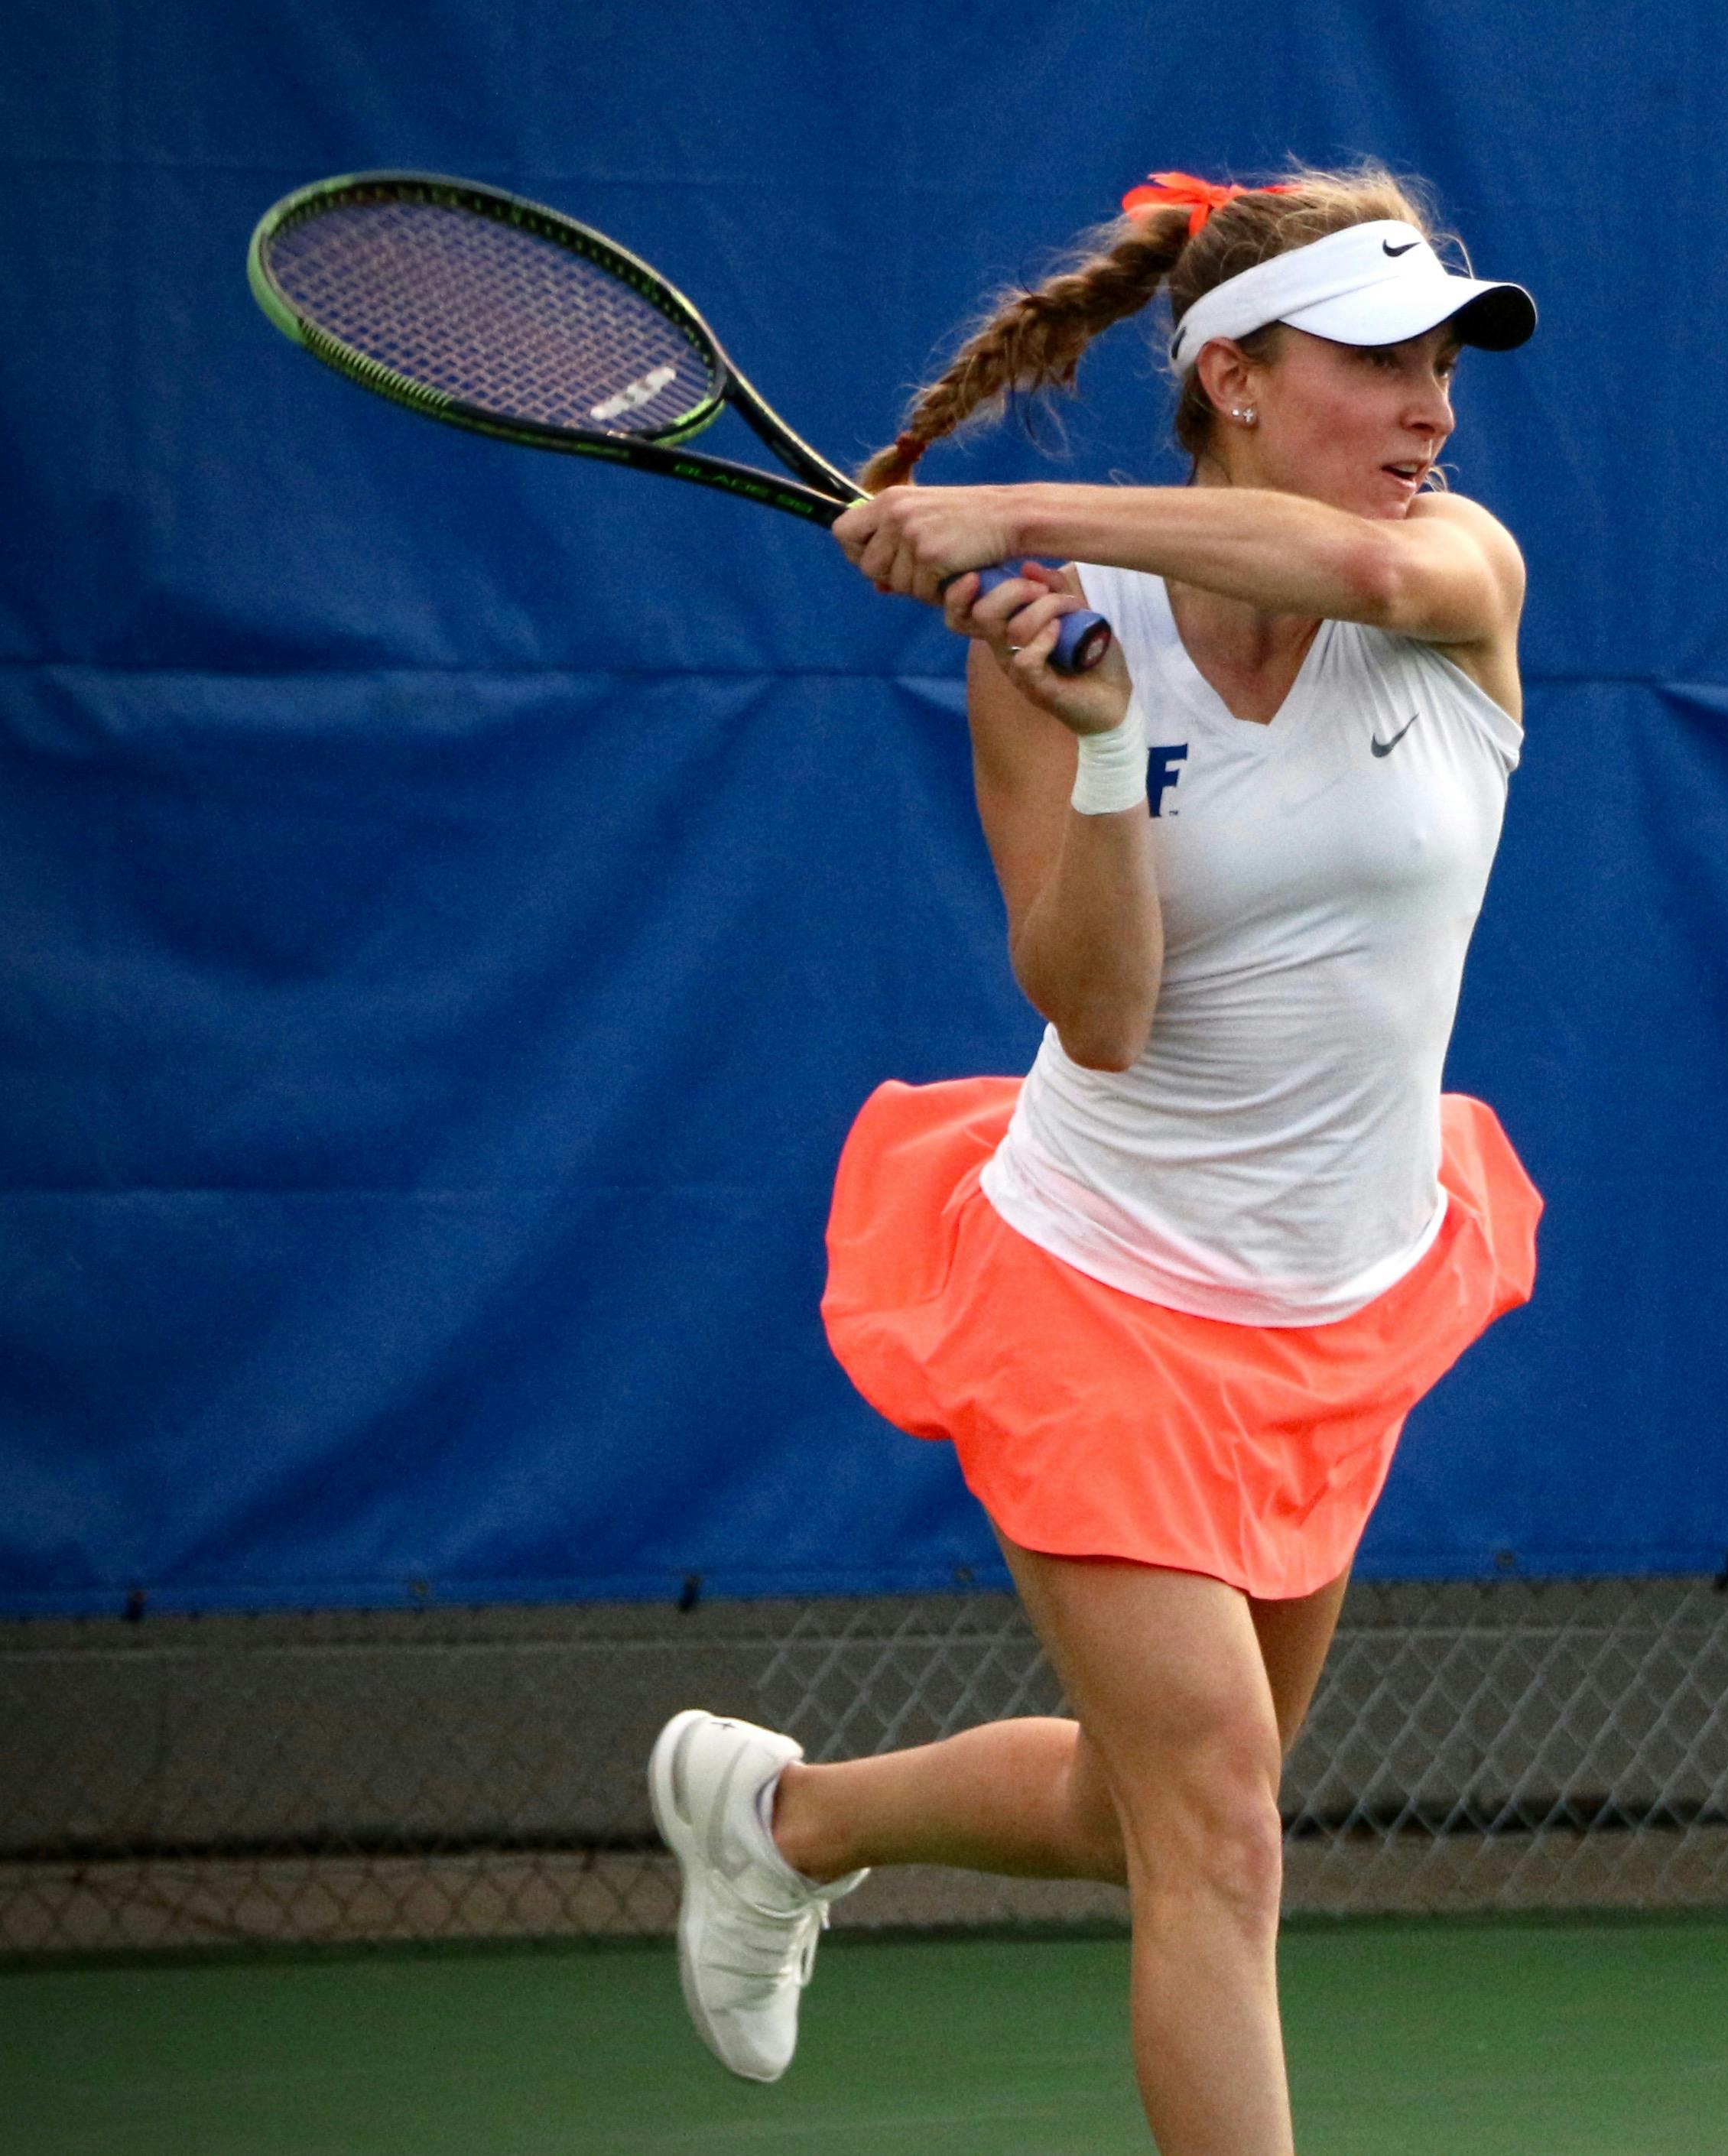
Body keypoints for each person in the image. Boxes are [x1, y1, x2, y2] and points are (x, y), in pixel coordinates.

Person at [644, 164, 1542, 2156]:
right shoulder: (1051, 646)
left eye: (1445, 365)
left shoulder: (1455, 571)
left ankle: (786, 1818)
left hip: (1345, 1293)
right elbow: (1102, 1008)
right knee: (1218, 1825)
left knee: (1134, 1803)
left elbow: (1376, 578)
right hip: (1101, 1285)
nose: (1434, 410)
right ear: (1232, 374)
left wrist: (1007, 510)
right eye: (1382, 361)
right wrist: (1116, 737)